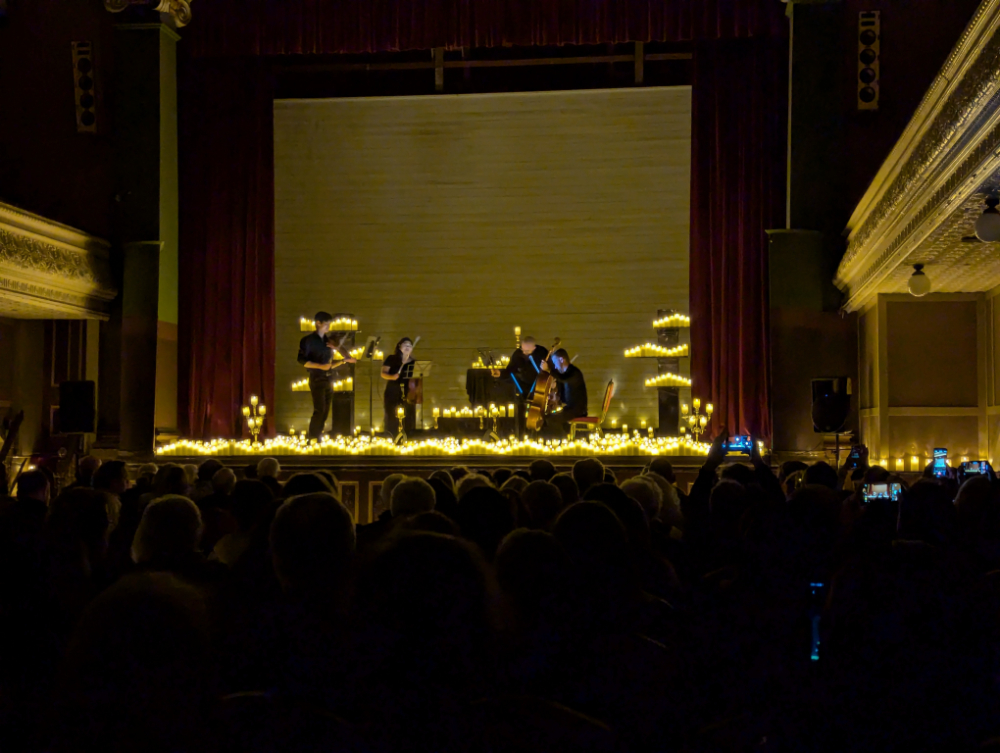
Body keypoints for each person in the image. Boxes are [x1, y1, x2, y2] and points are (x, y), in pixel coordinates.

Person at [298, 311, 356, 441]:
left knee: (325, 410)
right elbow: (302, 360)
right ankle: (313, 436)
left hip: (329, 378)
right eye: (326, 324)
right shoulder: (308, 340)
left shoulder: (328, 340)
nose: (328, 327)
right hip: (316, 378)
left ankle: (318, 435)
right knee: (319, 409)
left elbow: (334, 362)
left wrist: (342, 359)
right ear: (318, 323)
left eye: (329, 324)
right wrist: (320, 366)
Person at [492, 336, 550, 434]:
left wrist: (547, 367)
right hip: (521, 385)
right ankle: (520, 433)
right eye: (523, 350)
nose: (524, 353)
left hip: (538, 386)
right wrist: (500, 374)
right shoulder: (518, 354)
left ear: (534, 348)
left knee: (538, 412)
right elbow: (510, 369)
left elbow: (552, 368)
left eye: (527, 351)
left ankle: (538, 433)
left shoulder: (542, 352)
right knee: (519, 410)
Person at [542, 348, 587, 437]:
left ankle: (557, 440)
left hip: (577, 410)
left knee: (550, 419)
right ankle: (565, 438)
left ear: (561, 359)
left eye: (555, 363)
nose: (555, 366)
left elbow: (563, 378)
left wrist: (548, 370)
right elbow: (563, 383)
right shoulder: (567, 373)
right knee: (548, 417)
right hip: (570, 409)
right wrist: (555, 390)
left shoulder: (574, 372)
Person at [381, 337, 417, 437]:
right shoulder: (391, 358)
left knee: (408, 415)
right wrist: (392, 377)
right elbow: (383, 373)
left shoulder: (413, 362)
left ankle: (408, 436)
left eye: (409, 345)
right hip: (393, 390)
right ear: (399, 346)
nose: (407, 346)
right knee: (392, 415)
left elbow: (416, 377)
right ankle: (392, 436)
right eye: (405, 344)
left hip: (407, 391)